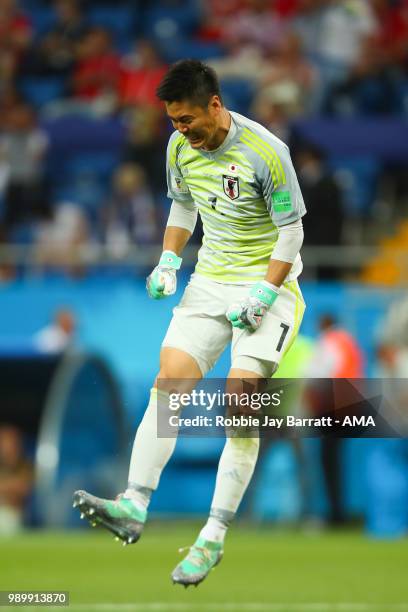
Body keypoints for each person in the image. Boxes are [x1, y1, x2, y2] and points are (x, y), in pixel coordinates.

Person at [73, 59, 306, 587]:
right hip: (209, 282)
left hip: (269, 282)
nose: (182, 132)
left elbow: (290, 234)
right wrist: (169, 259)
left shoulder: (267, 152)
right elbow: (183, 207)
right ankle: (133, 504)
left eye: (188, 121)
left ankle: (212, 539)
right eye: (174, 122)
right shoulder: (179, 148)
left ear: (215, 106)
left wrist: (266, 291)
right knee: (169, 383)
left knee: (241, 403)